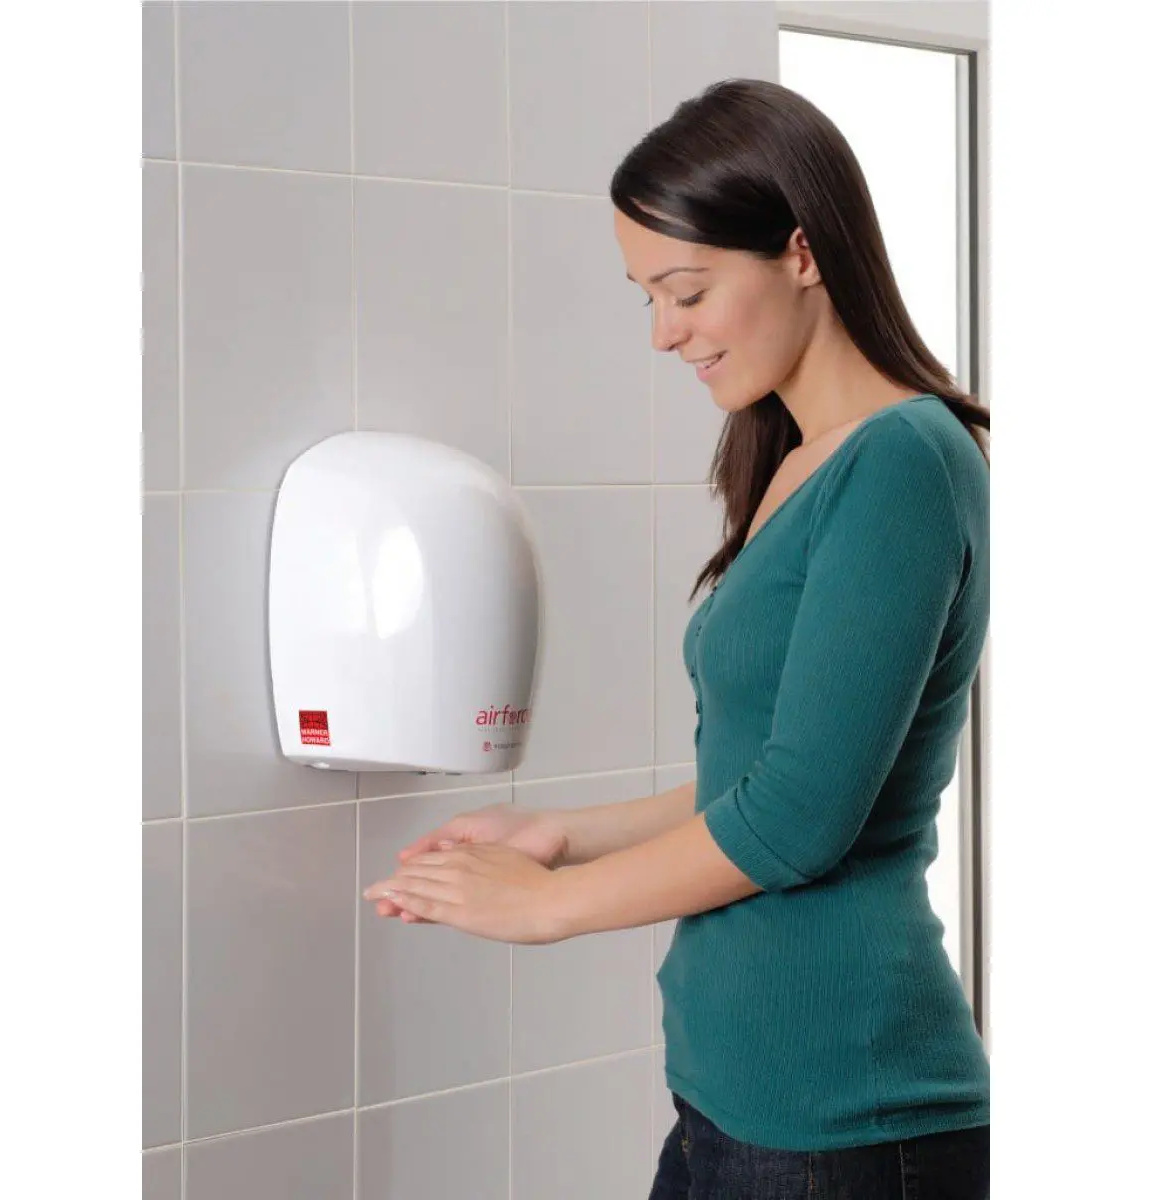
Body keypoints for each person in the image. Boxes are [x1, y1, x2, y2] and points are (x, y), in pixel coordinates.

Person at [364, 78, 990, 1200]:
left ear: (802, 251)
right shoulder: (798, 458)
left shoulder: (904, 462)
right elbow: (756, 771)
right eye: (645, 296)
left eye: (687, 289)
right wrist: (561, 833)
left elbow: (800, 814)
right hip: (734, 1105)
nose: (663, 332)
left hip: (844, 1119)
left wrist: (546, 907)